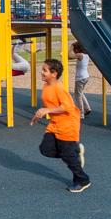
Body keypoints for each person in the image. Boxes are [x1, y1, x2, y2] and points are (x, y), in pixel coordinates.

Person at [30, 59, 91, 193]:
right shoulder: (47, 85)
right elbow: (50, 106)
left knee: (67, 155)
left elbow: (68, 107)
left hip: (68, 124)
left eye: (44, 70)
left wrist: (47, 111)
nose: (42, 72)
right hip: (55, 123)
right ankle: (74, 152)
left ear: (54, 73)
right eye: (43, 69)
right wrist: (38, 114)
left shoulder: (59, 88)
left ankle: (83, 180)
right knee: (45, 149)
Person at [72, 41, 93, 117]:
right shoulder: (86, 55)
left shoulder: (80, 55)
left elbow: (69, 56)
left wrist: (71, 46)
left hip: (80, 78)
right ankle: (87, 108)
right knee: (80, 93)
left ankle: (81, 113)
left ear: (77, 49)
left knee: (77, 95)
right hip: (86, 76)